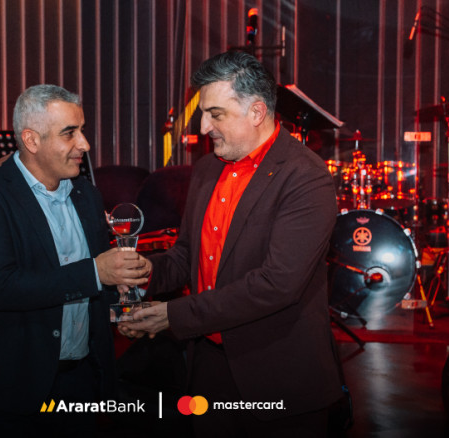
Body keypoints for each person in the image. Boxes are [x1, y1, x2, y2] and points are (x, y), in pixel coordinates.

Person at [119, 51, 343, 436]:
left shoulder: (306, 176)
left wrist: (174, 315)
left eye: (216, 114)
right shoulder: (208, 169)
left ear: (256, 112)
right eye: (204, 114)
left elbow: (277, 284)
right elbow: (187, 255)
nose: (204, 127)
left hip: (277, 376)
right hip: (208, 368)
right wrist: (139, 273)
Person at [0, 84, 151, 436]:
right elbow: (3, 288)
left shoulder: (87, 195)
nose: (84, 144)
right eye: (69, 133)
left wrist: (123, 301)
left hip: (80, 382)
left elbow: (97, 284)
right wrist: (98, 272)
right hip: (12, 391)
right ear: (31, 140)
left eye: (82, 130)